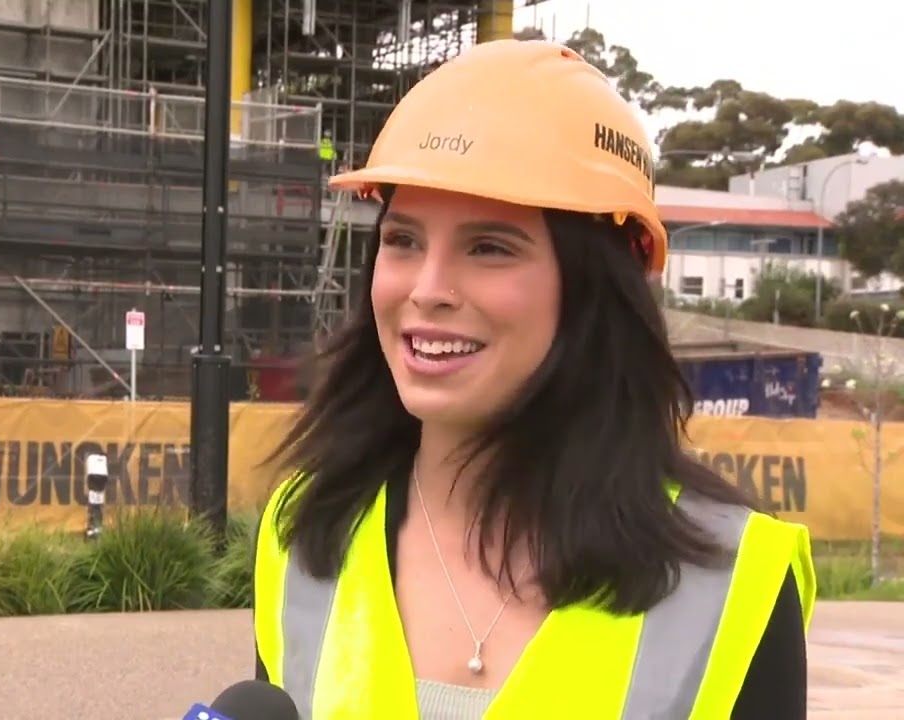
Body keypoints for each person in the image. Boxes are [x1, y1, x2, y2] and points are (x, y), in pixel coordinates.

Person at [250, 40, 815, 720]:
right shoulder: (304, 537)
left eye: (489, 248)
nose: (427, 290)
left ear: (596, 289)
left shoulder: (731, 586)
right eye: (403, 241)